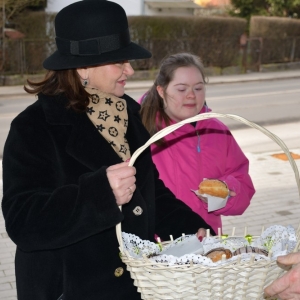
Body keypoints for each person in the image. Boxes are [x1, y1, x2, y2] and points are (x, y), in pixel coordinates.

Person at [1, 2, 213, 300]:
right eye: (119, 61)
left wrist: (191, 226)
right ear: (83, 68)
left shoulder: (129, 112)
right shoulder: (34, 126)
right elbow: (23, 221)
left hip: (131, 287)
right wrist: (101, 194)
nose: (130, 69)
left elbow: (150, 193)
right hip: (68, 290)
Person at [139, 53, 256, 234]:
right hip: (160, 246)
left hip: (206, 241)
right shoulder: (141, 130)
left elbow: (243, 183)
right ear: (161, 91)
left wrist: (226, 192)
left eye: (198, 88)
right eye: (181, 89)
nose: (191, 96)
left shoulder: (218, 131)